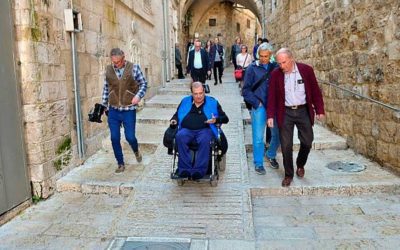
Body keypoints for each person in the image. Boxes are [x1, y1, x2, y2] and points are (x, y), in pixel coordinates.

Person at [267, 48, 325, 187]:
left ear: (291, 59)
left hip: (303, 110)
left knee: (307, 141)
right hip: (285, 112)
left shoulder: (306, 70)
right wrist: (270, 115)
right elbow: (271, 96)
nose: (282, 66)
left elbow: (316, 91)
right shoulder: (276, 74)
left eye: (284, 62)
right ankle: (288, 174)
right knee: (286, 145)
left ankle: (300, 163)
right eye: (279, 63)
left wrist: (319, 109)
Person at [170, 82, 229, 179]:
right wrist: (174, 120)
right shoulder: (185, 101)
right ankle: (184, 169)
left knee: (205, 139)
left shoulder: (212, 102)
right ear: (192, 93)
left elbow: (225, 118)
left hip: (205, 130)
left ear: (204, 91)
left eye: (201, 93)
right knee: (180, 136)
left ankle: (199, 170)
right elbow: (177, 114)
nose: (198, 96)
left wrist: (216, 120)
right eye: (196, 94)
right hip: (187, 130)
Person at [102, 48, 147, 173]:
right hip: (114, 110)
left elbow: (143, 84)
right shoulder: (109, 70)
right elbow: (106, 88)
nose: (116, 65)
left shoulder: (134, 68)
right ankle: (120, 163)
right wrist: (104, 105)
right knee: (114, 138)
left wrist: (138, 96)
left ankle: (136, 149)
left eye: (118, 62)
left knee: (130, 137)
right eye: (114, 62)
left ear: (123, 58)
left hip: (129, 109)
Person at [242, 42, 280, 175]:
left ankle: (270, 154)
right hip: (259, 107)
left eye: (266, 56)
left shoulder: (276, 67)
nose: (263, 58)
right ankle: (258, 163)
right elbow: (245, 90)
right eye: (261, 56)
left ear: (271, 55)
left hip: (274, 107)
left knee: (278, 135)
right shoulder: (252, 68)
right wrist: (256, 103)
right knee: (258, 137)